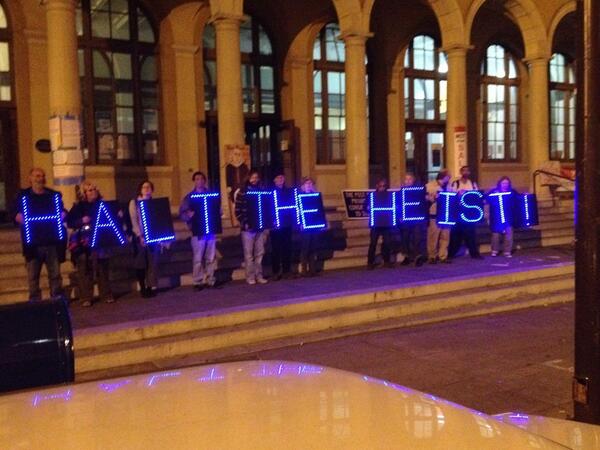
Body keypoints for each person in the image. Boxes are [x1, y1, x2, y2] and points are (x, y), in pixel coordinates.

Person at [13, 168, 66, 302]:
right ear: (30, 178)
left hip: (51, 241)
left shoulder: (52, 195)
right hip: (33, 244)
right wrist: (17, 216)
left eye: (42, 176)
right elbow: (14, 213)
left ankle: (57, 301)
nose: (40, 179)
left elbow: (62, 210)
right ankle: (35, 303)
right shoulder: (22, 196)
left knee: (55, 274)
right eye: (36, 176)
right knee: (33, 276)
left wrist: (63, 213)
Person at [66, 181, 115, 306]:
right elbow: (69, 222)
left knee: (102, 268)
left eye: (94, 189)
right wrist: (82, 220)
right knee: (84, 269)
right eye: (90, 190)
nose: (93, 192)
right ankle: (86, 297)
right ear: (84, 193)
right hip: (83, 241)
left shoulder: (102, 204)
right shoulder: (78, 207)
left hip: (100, 239)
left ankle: (106, 294)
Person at [179, 171, 218, 290]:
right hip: (197, 231)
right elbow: (182, 213)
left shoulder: (211, 195)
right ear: (194, 181)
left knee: (210, 257)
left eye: (201, 179)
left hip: (210, 230)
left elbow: (217, 210)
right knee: (197, 258)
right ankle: (198, 281)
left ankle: (210, 280)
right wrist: (188, 215)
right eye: (197, 179)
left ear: (204, 181)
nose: (199, 181)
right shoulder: (189, 197)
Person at [129, 180, 163, 298]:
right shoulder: (135, 203)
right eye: (144, 187)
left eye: (149, 187)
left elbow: (160, 221)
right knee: (141, 263)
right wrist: (139, 235)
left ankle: (151, 286)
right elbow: (134, 220)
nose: (146, 189)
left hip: (153, 237)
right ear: (140, 190)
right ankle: (143, 286)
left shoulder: (155, 203)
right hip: (141, 237)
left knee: (152, 263)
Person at [235, 170, 268, 285]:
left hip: (260, 227)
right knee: (249, 255)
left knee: (259, 253)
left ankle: (259, 275)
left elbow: (266, 208)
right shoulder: (242, 192)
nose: (254, 180)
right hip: (248, 229)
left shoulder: (262, 191)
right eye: (252, 177)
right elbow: (237, 210)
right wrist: (244, 223)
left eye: (256, 177)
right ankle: (250, 276)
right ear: (248, 178)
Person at [448, 166, 483, 259]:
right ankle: (450, 253)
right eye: (464, 171)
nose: (466, 172)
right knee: (456, 235)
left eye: (467, 171)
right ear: (461, 172)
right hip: (459, 212)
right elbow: (451, 196)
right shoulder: (456, 183)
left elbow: (476, 195)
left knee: (471, 234)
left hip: (470, 213)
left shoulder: (472, 183)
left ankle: (474, 253)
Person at [399, 173, 427, 267]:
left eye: (409, 179)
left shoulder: (418, 191)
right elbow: (399, 204)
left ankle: (417, 256)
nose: (407, 181)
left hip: (416, 219)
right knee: (405, 239)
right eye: (406, 179)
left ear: (413, 180)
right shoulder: (401, 192)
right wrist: (400, 216)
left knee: (417, 239)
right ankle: (407, 256)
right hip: (406, 219)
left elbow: (423, 203)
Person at [270, 173, 294, 280]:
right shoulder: (270, 192)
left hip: (287, 224)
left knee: (287, 248)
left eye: (282, 178)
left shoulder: (288, 191)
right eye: (278, 177)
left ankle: (286, 270)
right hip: (275, 225)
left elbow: (292, 206)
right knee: (276, 249)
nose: (280, 179)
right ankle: (276, 271)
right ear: (274, 180)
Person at [425, 170, 452, 264]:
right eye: (447, 177)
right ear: (442, 177)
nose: (448, 179)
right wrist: (433, 196)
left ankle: (443, 256)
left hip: (446, 214)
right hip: (434, 213)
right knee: (433, 236)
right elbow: (426, 198)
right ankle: (432, 256)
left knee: (445, 237)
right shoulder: (430, 185)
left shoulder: (449, 187)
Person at [367, 178, 394, 269]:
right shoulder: (371, 196)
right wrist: (368, 208)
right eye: (380, 186)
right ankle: (370, 262)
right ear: (377, 186)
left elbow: (394, 207)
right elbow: (365, 207)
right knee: (373, 243)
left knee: (387, 243)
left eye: (384, 186)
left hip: (386, 223)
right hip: (376, 224)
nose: (382, 187)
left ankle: (387, 261)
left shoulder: (389, 195)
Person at [298, 177, 322, 277]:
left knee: (313, 247)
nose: (309, 185)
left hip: (314, 224)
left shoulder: (315, 196)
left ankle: (313, 269)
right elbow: (298, 212)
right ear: (303, 186)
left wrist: (322, 222)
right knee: (305, 248)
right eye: (307, 183)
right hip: (305, 225)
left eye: (310, 183)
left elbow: (320, 210)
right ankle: (303, 270)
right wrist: (300, 223)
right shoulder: (300, 196)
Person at [489, 176, 518, 258]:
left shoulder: (512, 192)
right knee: (496, 235)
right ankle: (495, 250)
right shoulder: (494, 191)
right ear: (500, 183)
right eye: (503, 183)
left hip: (508, 217)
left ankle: (507, 251)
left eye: (507, 183)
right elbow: (487, 199)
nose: (505, 185)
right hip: (496, 218)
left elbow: (518, 199)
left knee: (508, 235)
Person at [226, 146, 250, 227]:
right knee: (234, 205)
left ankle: (242, 221)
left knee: (242, 205)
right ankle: (236, 222)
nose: (237, 156)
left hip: (242, 188)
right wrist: (228, 187)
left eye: (239, 154)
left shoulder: (244, 166)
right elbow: (228, 178)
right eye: (235, 154)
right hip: (233, 188)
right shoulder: (229, 167)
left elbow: (247, 177)